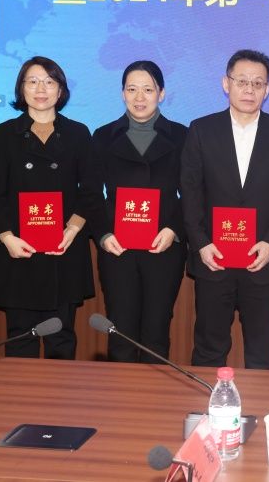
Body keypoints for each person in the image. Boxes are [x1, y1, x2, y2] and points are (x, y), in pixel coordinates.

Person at [180, 49, 269, 370]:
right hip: (213, 257)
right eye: (242, 81)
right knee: (209, 346)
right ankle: (207, 403)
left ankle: (262, 403)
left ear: (267, 89)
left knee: (261, 350)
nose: (249, 89)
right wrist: (201, 243)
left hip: (262, 259)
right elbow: (190, 192)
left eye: (258, 83)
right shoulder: (201, 130)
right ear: (226, 83)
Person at [0, 56, 101, 359]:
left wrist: (73, 229)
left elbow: (90, 190)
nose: (41, 89)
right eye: (32, 81)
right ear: (21, 89)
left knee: (62, 338)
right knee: (20, 337)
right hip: (19, 249)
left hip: (63, 247)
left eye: (49, 81)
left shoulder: (78, 133)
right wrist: (7, 237)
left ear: (60, 90)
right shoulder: (4, 134)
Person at [91, 60, 188, 363]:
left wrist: (174, 230)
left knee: (156, 333)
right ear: (122, 93)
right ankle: (119, 393)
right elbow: (91, 194)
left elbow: (193, 193)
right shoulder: (103, 136)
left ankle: (154, 394)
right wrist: (103, 234)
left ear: (162, 93)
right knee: (120, 332)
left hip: (164, 246)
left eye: (148, 89)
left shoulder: (183, 136)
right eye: (132, 89)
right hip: (117, 248)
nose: (139, 97)